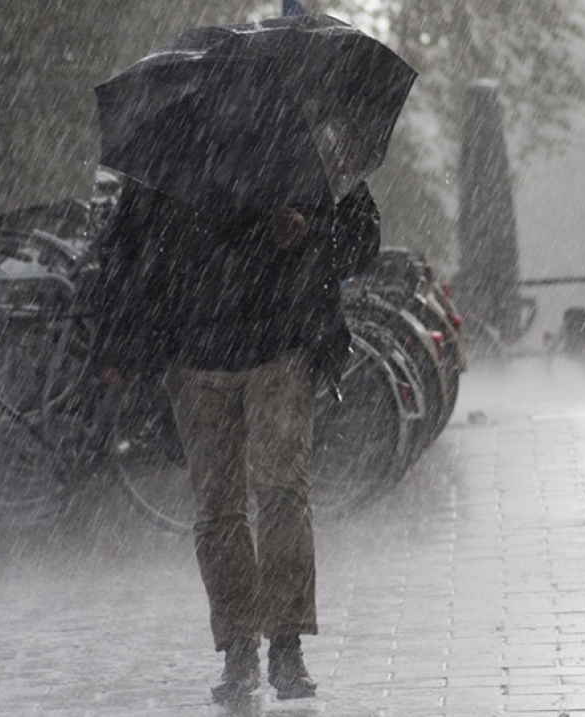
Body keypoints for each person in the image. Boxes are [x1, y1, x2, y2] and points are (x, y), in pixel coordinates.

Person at [89, 179, 381, 704]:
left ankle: (286, 646)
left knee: (282, 493)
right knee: (219, 508)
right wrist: (117, 344)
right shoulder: (168, 156)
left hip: (283, 345)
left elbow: (362, 242)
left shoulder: (305, 144)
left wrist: (309, 232)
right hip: (195, 353)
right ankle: (239, 648)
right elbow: (127, 250)